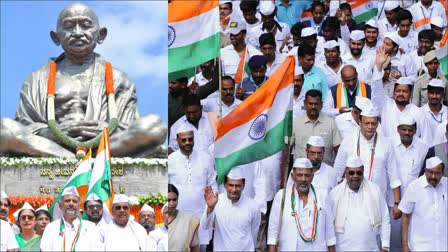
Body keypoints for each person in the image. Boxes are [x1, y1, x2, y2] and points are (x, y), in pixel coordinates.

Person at [0, 2, 166, 158]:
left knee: (153, 126)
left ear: (101, 35)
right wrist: (50, 133)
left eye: (86, 25)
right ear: (56, 37)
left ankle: (83, 160)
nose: (78, 32)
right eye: (69, 26)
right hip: (50, 144)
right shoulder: (36, 78)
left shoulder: (117, 78)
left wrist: (108, 130)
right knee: (5, 129)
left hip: (107, 143)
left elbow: (129, 124)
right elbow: (26, 124)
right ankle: (81, 160)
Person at [334, 106, 402, 220]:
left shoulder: (386, 144)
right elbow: (337, 173)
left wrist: (397, 203)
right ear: (360, 122)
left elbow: (394, 176)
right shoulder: (348, 141)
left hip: (377, 199)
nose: (370, 127)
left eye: (373, 123)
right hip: (351, 198)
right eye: (367, 123)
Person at [267, 158, 336, 251]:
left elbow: (330, 231)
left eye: (307, 175)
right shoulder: (282, 196)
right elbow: (273, 231)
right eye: (299, 175)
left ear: (312, 176)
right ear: (292, 176)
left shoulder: (322, 195)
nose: (303, 179)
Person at [168, 125, 217, 247]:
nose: (187, 142)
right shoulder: (170, 160)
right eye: (183, 140)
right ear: (177, 140)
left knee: (201, 247)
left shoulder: (206, 158)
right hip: (177, 218)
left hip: (202, 216)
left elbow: (213, 185)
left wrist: (212, 213)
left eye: (190, 139)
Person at [328, 156, 391, 251]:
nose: (355, 176)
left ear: (363, 172)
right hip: (343, 248)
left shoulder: (374, 190)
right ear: (345, 173)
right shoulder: (335, 194)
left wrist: (385, 246)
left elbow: (385, 218)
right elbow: (328, 224)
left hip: (370, 248)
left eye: (359, 173)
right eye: (351, 173)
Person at [371, 46, 432, 143]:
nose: (401, 94)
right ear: (394, 93)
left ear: (410, 94)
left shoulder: (418, 112)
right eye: (398, 91)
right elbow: (376, 89)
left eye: (405, 91)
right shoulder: (386, 105)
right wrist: (378, 67)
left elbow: (426, 139)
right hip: (389, 153)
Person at [389, 114, 429, 251]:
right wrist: (396, 202)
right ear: (398, 129)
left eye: (410, 130)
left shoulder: (423, 147)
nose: (407, 133)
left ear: (415, 130)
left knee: (412, 241)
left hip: (415, 203)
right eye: (404, 129)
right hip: (392, 202)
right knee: (393, 241)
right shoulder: (389, 144)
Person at [201, 167, 261, 251]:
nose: (234, 189)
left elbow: (254, 234)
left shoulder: (253, 206)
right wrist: (210, 208)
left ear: (243, 186)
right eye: (231, 185)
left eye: (238, 186)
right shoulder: (216, 201)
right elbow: (204, 226)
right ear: (225, 185)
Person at [399, 156, 447, 252]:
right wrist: (404, 245)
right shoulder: (414, 187)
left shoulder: (446, 184)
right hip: (420, 247)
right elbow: (405, 217)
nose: (433, 176)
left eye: (437, 173)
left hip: (443, 246)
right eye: (430, 172)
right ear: (425, 171)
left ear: (442, 173)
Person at [40, 187, 102, 251]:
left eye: (74, 201)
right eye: (67, 201)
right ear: (60, 206)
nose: (71, 204)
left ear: (79, 206)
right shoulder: (51, 228)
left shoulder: (91, 227)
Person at [294, 89, 341, 166]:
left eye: (316, 104)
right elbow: (287, 150)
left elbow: (338, 150)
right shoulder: (296, 123)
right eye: (310, 104)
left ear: (321, 104)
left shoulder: (331, 123)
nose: (313, 107)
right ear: (305, 104)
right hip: (301, 174)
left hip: (326, 173)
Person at [167, 184, 200, 252]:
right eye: (168, 200)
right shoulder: (158, 220)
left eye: (174, 200)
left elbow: (195, 247)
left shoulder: (188, 219)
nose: (172, 203)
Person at [306, 136, 337, 203]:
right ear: (307, 152)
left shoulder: (331, 172)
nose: (316, 157)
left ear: (324, 152)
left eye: (319, 153)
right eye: (313, 153)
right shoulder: (298, 170)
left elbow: (335, 198)